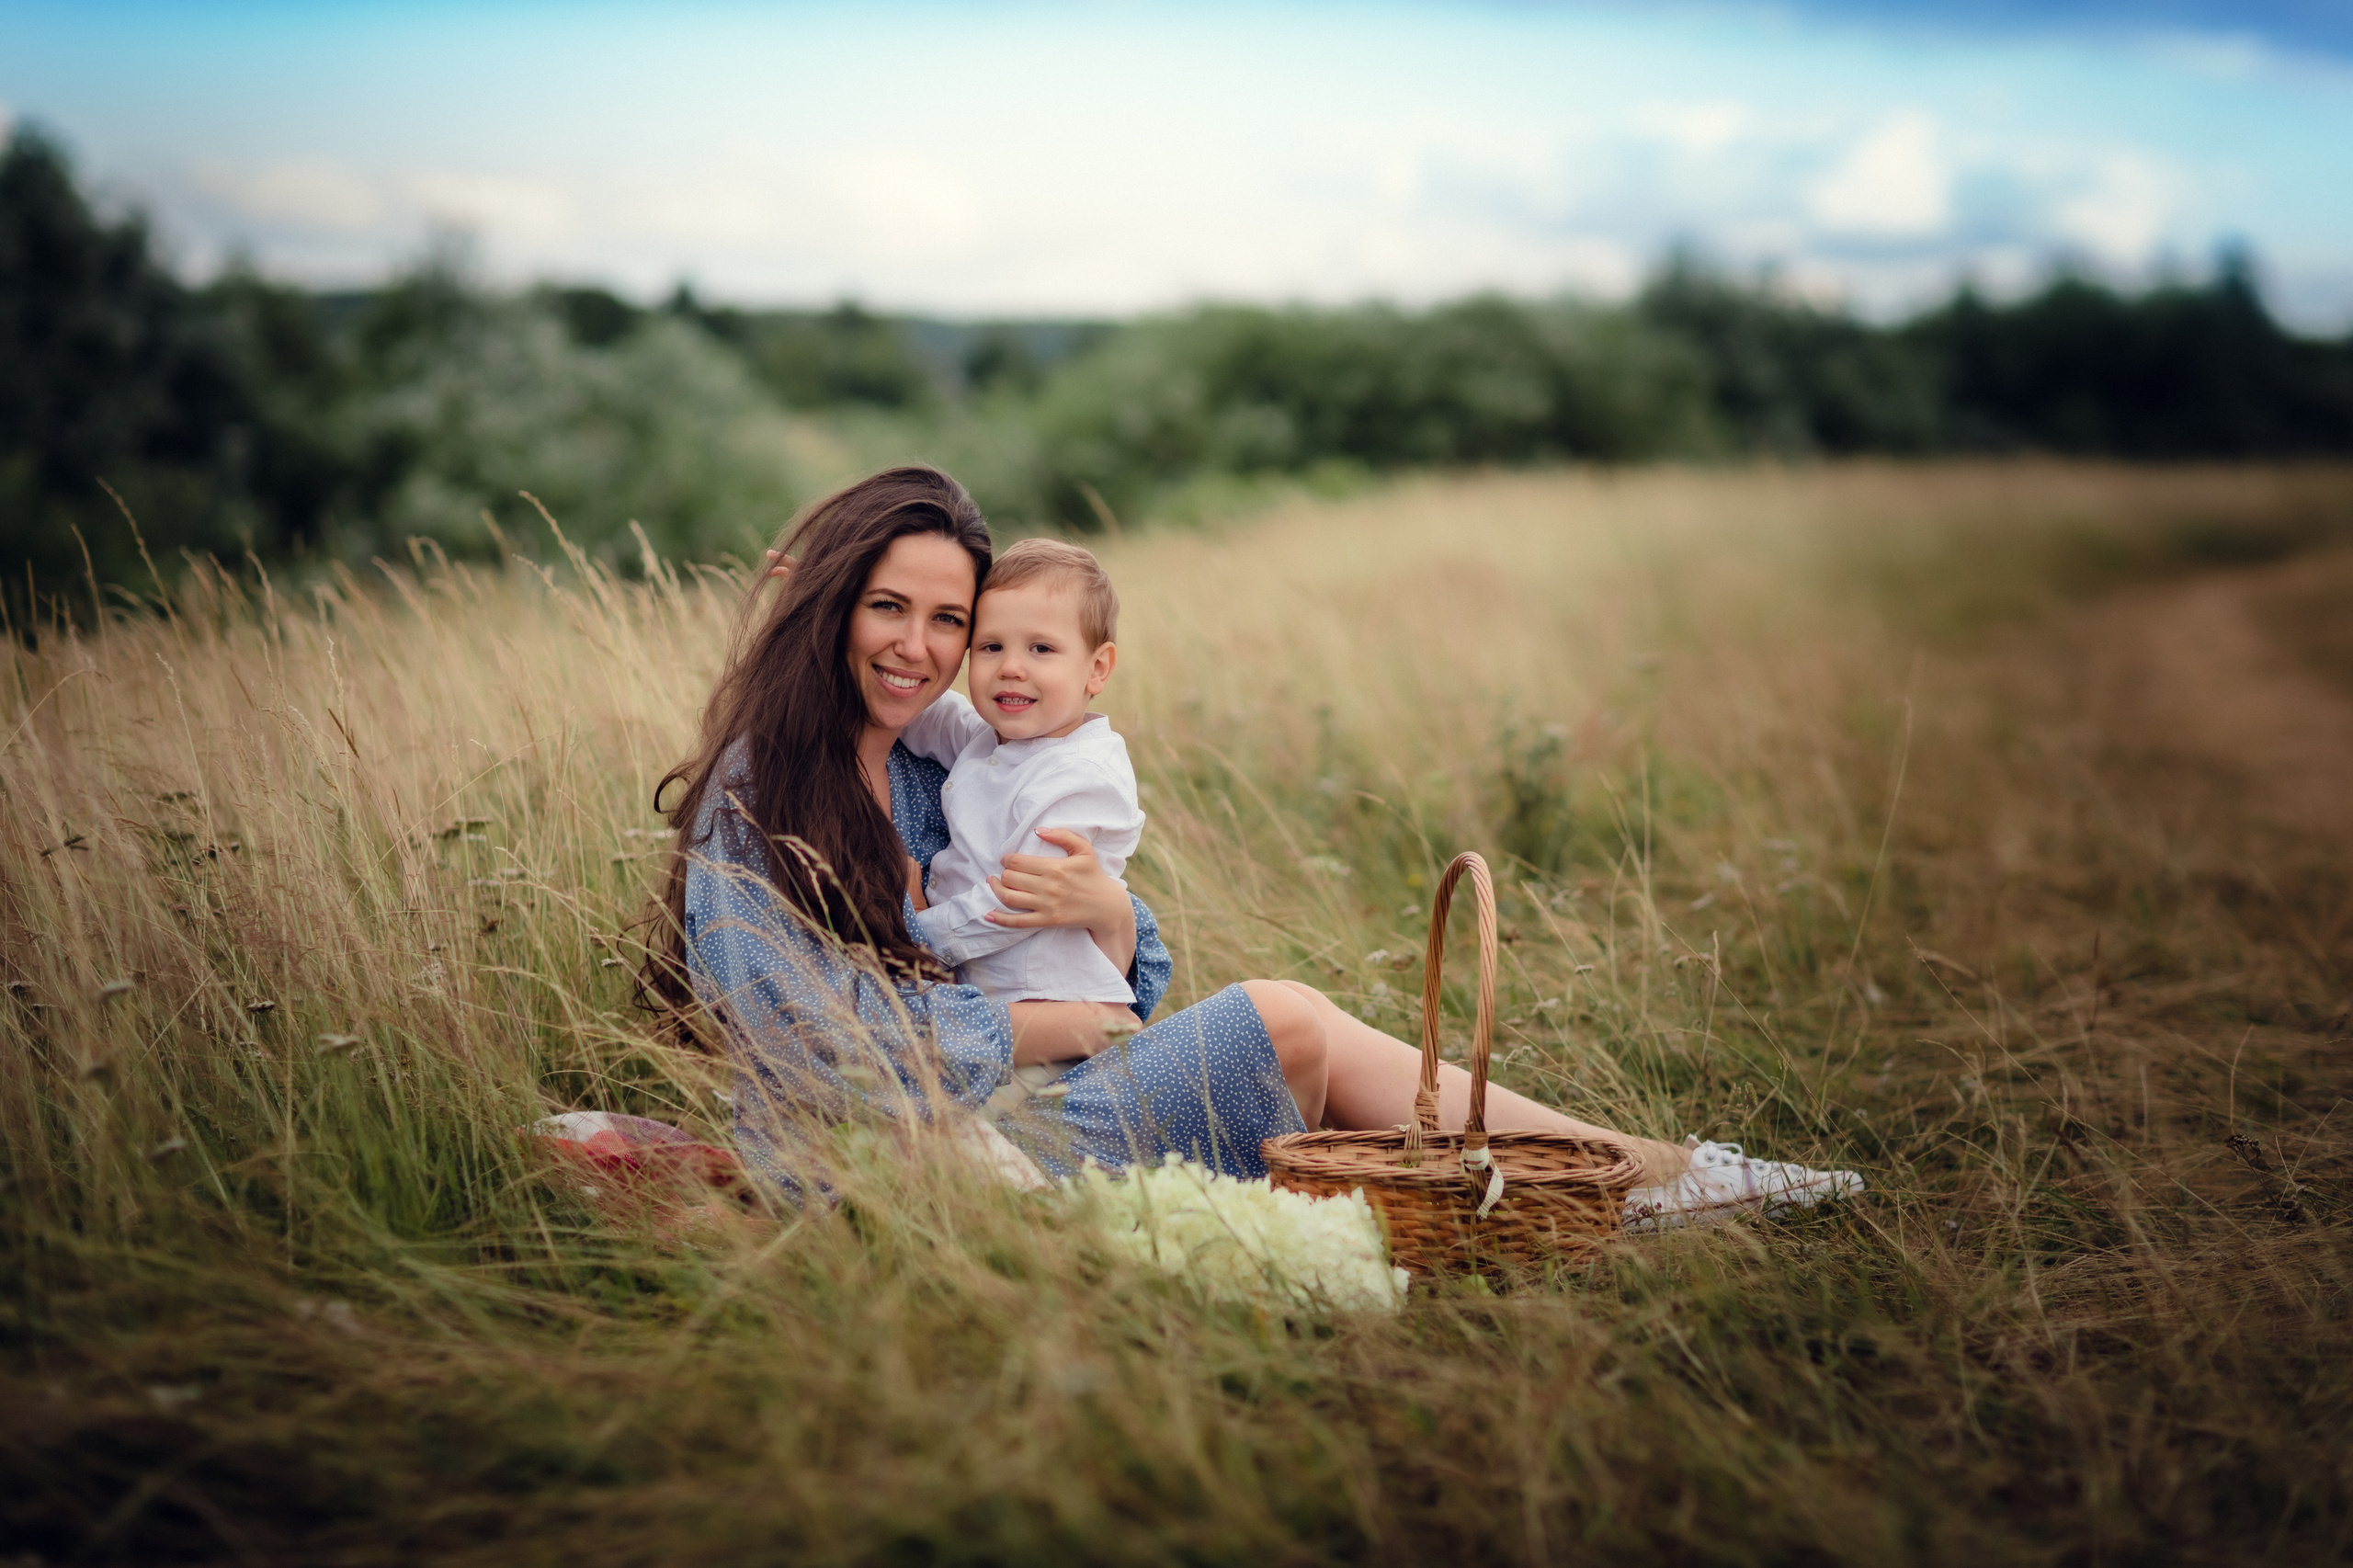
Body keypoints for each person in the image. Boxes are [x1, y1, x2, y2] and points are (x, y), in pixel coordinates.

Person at [643, 465, 1860, 1227]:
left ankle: (1635, 1176)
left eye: (949, 619)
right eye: (886, 607)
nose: (918, 645)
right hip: (897, 1158)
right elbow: (822, 1048)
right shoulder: (759, 790)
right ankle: (1636, 1182)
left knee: (1294, 1025)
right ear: (830, 605)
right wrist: (1048, 1027)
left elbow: (1126, 980)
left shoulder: (935, 758)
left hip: (1018, 1106)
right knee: (1284, 1019)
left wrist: (1111, 920)